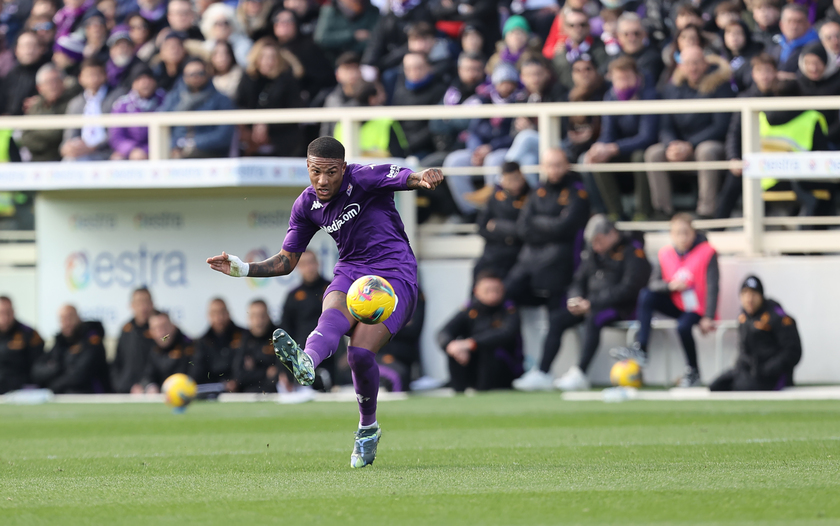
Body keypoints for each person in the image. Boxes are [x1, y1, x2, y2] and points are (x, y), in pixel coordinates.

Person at [206, 136, 444, 468]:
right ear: (307, 167)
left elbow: (404, 176)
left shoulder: (361, 178)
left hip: (394, 274)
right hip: (351, 270)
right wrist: (244, 268)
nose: (323, 180)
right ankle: (308, 361)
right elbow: (287, 261)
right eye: (316, 172)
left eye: (331, 172)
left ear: (342, 169)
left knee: (360, 353)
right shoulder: (306, 205)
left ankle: (367, 427)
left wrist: (423, 177)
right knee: (331, 312)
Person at [516, 215, 651, 391]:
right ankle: (543, 372)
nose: (596, 246)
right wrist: (576, 300)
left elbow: (629, 289)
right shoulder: (593, 253)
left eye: (599, 241)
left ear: (612, 234)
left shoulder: (633, 252)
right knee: (557, 319)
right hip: (589, 304)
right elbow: (578, 281)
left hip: (620, 307)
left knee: (594, 318)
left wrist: (591, 303)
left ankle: (580, 373)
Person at [503, 148, 591, 391]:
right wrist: (549, 227)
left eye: (559, 165)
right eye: (550, 165)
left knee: (556, 318)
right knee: (503, 297)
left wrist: (539, 225)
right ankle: (514, 365)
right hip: (530, 262)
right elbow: (523, 227)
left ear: (567, 165)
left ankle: (544, 370)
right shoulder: (538, 191)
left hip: (560, 266)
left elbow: (567, 227)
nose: (554, 170)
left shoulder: (577, 191)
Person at [615, 214, 720, 387]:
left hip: (696, 309)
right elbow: (654, 284)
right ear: (672, 234)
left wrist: (708, 315)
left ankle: (693, 371)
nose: (683, 237)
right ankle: (642, 348)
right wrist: (670, 286)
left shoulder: (707, 252)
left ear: (694, 233)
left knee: (683, 327)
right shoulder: (666, 254)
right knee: (646, 295)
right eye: (678, 233)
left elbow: (713, 285)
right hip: (676, 303)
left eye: (686, 232)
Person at [644, 46, 733, 219]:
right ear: (680, 66)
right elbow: (665, 125)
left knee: (706, 151)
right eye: (687, 63)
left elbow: (721, 126)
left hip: (711, 144)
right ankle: (663, 210)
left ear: (705, 64)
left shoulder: (721, 86)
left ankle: (707, 210)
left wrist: (690, 145)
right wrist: (672, 145)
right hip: (680, 146)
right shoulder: (671, 89)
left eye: (696, 63)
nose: (693, 68)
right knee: (653, 153)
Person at [582, 56, 657, 221]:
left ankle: (643, 211)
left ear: (637, 76)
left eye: (627, 77)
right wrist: (600, 147)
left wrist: (613, 148)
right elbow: (608, 133)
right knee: (593, 158)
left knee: (640, 157)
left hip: (641, 149)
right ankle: (614, 212)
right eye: (619, 78)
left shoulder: (649, 95)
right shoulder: (610, 97)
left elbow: (647, 137)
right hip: (620, 149)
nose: (623, 83)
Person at [709, 276, 802, 391]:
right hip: (751, 372)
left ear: (761, 296)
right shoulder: (743, 318)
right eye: (745, 294)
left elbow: (793, 351)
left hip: (773, 375)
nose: (749, 299)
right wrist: (743, 366)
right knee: (717, 385)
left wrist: (770, 368)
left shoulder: (777, 317)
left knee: (741, 387)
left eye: (754, 294)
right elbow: (743, 350)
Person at [438, 272, 523, 392]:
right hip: (471, 363)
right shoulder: (470, 309)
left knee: (486, 349)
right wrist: (450, 345)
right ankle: (459, 392)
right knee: (455, 349)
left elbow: (506, 333)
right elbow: (444, 332)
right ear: (477, 291)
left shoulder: (509, 309)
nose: (493, 294)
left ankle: (484, 391)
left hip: (502, 367)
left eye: (496, 290)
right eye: (488, 290)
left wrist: (472, 343)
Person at [718, 53, 779, 219]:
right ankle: (718, 227)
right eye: (760, 71)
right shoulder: (745, 98)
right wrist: (733, 157)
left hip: (777, 157)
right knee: (733, 181)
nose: (764, 76)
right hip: (750, 158)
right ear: (753, 74)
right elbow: (734, 132)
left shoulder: (784, 95)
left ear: (775, 73)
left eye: (768, 71)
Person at [235, 37, 304, 157]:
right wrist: (253, 126)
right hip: (250, 140)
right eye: (263, 56)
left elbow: (295, 110)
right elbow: (240, 105)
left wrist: (268, 126)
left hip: (282, 139)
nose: (268, 61)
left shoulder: (287, 79)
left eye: (272, 57)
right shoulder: (247, 78)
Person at [278, 250, 336, 391]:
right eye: (304, 264)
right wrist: (284, 369)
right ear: (298, 267)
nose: (309, 267)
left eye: (311, 262)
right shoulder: (293, 296)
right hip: (302, 358)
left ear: (318, 263)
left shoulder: (332, 289)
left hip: (332, 357)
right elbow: (284, 334)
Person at [160, 57, 236, 159]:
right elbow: (160, 123)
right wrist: (176, 143)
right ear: (184, 76)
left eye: (200, 73)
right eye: (191, 74)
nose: (195, 77)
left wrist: (192, 143)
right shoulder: (174, 98)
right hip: (175, 151)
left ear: (207, 74)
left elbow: (224, 135)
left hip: (209, 153)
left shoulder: (221, 99)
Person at [31, 305, 111, 394]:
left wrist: (54, 384)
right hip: (63, 395)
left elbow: (81, 374)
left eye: (70, 317)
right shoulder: (60, 341)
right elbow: (37, 369)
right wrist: (55, 368)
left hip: (90, 395)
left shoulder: (92, 340)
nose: (67, 322)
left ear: (78, 318)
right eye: (63, 319)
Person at [474, 161, 529, 281]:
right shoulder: (495, 197)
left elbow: (526, 229)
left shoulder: (531, 197)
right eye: (508, 180)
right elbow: (481, 227)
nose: (513, 184)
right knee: (479, 274)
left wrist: (498, 226)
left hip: (518, 252)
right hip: (493, 252)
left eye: (516, 178)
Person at [390, 52, 448, 158]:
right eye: (409, 69)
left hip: (429, 149)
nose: (414, 72)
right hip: (403, 149)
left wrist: (410, 146)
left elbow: (434, 126)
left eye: (418, 67)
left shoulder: (440, 91)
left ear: (428, 67)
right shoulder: (400, 93)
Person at [18, 63, 74, 162]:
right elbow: (25, 137)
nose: (53, 86)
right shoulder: (35, 106)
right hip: (35, 161)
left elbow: (57, 134)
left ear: (63, 83)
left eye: (56, 80)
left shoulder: (72, 103)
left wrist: (38, 134)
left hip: (60, 160)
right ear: (39, 88)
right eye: (48, 82)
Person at [61, 58, 113, 161]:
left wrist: (94, 147)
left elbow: (116, 132)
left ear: (105, 76)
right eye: (89, 75)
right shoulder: (75, 103)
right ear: (80, 78)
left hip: (108, 151)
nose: (93, 79)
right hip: (80, 152)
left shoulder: (116, 98)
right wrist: (67, 147)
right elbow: (70, 134)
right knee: (69, 160)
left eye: (96, 74)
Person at [109, 65, 165, 160]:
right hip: (130, 152)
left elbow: (170, 132)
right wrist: (131, 150)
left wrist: (147, 150)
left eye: (149, 79)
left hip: (158, 149)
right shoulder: (122, 104)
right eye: (140, 79)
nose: (145, 83)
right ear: (133, 83)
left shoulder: (164, 100)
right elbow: (116, 136)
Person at [190, 298, 244, 391]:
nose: (219, 317)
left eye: (222, 312)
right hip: (211, 391)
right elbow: (198, 371)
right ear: (209, 316)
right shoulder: (202, 342)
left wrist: (236, 381)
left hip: (241, 389)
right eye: (214, 313)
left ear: (228, 313)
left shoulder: (243, 336)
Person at [377, 290, 424, 392]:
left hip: (404, 358)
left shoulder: (414, 292)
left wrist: (389, 323)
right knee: (397, 376)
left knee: (404, 376)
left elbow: (414, 330)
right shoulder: (377, 288)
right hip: (378, 355)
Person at [111, 287, 156, 394]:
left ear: (152, 304)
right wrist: (121, 384)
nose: (143, 307)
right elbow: (117, 362)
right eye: (139, 302)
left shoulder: (162, 327)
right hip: (127, 390)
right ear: (132, 305)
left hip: (154, 389)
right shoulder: (126, 329)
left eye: (146, 302)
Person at [551, 9, 609, 90]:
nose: (577, 29)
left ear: (589, 26)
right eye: (572, 25)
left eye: (582, 24)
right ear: (564, 28)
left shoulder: (601, 50)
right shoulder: (559, 54)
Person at [140, 311, 195, 393]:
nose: (161, 332)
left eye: (164, 326)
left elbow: (195, 375)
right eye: (156, 328)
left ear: (173, 326)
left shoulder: (190, 347)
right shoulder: (152, 349)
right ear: (151, 332)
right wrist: (150, 386)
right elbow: (148, 375)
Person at [234, 299, 281, 394]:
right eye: (254, 316)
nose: (259, 321)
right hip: (249, 392)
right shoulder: (243, 339)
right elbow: (239, 375)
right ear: (249, 318)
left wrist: (254, 371)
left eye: (262, 316)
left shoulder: (279, 336)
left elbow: (281, 371)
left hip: (275, 391)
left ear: (268, 316)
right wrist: (265, 373)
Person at [313, 0, 380, 65]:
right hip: (336, 60)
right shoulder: (330, 10)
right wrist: (353, 35)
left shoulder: (372, 10)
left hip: (366, 59)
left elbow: (376, 38)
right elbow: (321, 38)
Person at [0, 296, 44, 394]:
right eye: (2, 313)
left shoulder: (29, 333)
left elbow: (38, 366)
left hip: (20, 390)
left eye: (8, 312)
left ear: (13, 311)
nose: (5, 317)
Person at [317, 51, 363, 138]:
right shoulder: (330, 99)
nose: (352, 73)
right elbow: (326, 130)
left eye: (355, 68)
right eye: (347, 68)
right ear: (337, 74)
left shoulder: (373, 93)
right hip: (337, 148)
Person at [2, 30, 47, 116]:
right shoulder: (11, 75)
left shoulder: (50, 72)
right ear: (16, 50)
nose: (28, 50)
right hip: (9, 124)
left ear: (41, 49)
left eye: (32, 46)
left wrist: (43, 101)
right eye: (24, 46)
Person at [614, 12, 664, 83]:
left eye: (636, 33)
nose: (632, 38)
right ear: (618, 36)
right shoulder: (614, 60)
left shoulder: (654, 58)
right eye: (626, 34)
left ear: (645, 34)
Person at [772, 4, 819, 74]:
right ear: (781, 24)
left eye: (799, 21)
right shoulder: (775, 44)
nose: (794, 26)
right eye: (789, 21)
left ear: (808, 24)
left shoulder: (815, 48)